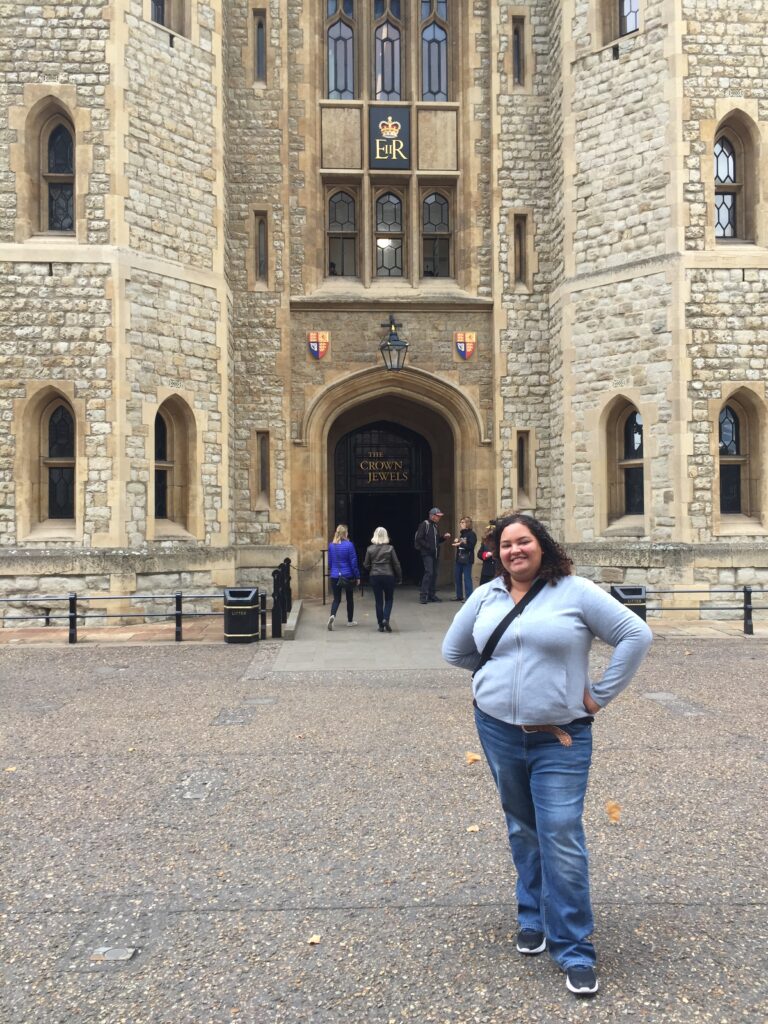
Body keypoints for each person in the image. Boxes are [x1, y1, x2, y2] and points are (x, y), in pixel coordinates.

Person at [441, 513, 652, 997]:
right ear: (496, 553)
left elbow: (635, 635)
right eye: (506, 545)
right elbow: (455, 652)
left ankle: (574, 945)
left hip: (561, 736)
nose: (515, 551)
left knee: (560, 833)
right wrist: (493, 679)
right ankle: (532, 914)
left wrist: (597, 695)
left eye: (524, 541)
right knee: (521, 826)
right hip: (497, 730)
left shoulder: (575, 591)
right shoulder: (486, 595)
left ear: (542, 545)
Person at [363, 526, 402, 632]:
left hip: (375, 576)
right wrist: (399, 576)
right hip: (388, 575)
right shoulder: (390, 548)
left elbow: (366, 564)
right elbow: (396, 564)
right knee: (389, 599)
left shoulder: (370, 549)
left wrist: (372, 568)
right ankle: (386, 618)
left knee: (378, 601)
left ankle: (380, 624)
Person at [415, 507, 451, 604]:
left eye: (439, 516)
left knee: (434, 574)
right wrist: (428, 547)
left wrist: (443, 538)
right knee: (429, 572)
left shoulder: (435, 526)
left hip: (434, 553)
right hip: (427, 553)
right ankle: (423, 595)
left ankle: (431, 595)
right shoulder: (424, 524)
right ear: (432, 516)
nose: (439, 518)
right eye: (438, 516)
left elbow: (437, 541)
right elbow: (419, 538)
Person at [327, 523, 360, 630]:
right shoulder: (349, 545)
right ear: (345, 533)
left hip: (335, 575)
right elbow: (353, 562)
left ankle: (332, 616)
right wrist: (357, 576)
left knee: (336, 599)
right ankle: (350, 621)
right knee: (349, 598)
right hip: (348, 575)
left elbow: (330, 562)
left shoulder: (331, 545)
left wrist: (332, 572)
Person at [451, 516, 477, 601]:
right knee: (457, 577)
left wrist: (459, 544)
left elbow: (470, 546)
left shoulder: (471, 534)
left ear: (467, 524)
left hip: (467, 558)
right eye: (460, 522)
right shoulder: (462, 533)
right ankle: (459, 596)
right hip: (460, 558)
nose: (460, 524)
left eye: (462, 522)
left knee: (467, 578)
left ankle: (469, 597)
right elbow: (462, 546)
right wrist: (457, 543)